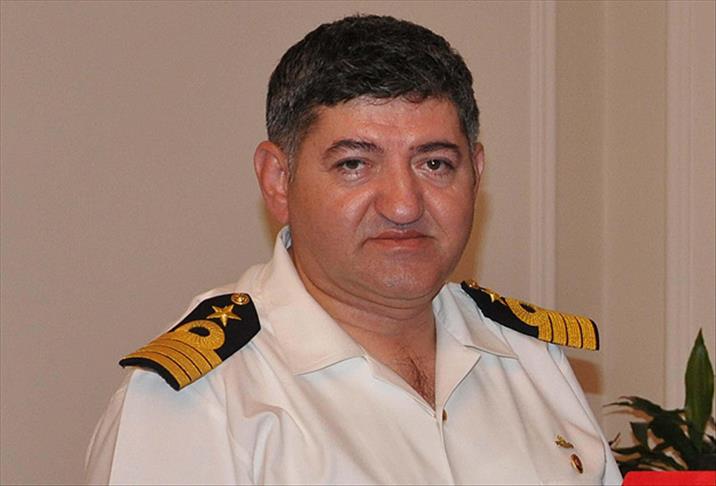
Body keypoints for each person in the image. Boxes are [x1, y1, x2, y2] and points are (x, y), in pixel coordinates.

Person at [85, 14, 621, 485]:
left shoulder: (532, 360)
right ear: (278, 180)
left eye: (434, 163)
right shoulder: (205, 398)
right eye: (354, 164)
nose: (404, 204)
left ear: (476, 174)